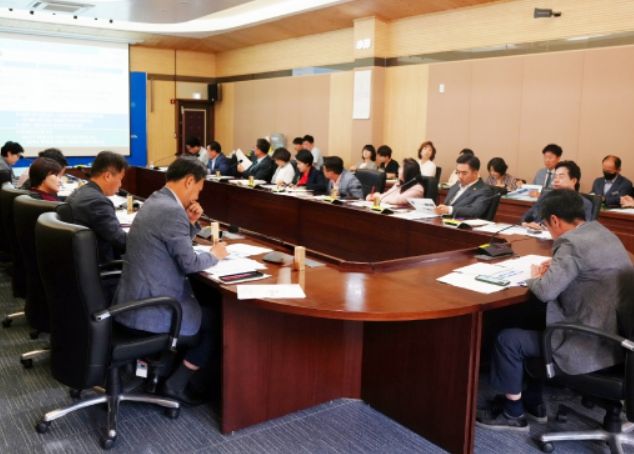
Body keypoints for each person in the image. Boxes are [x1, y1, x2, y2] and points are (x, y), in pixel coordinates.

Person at [477, 189, 634, 430]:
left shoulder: (571, 243)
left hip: (588, 343)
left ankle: (512, 413)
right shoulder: (603, 233)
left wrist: (533, 277)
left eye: (545, 224)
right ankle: (534, 402)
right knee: (535, 319)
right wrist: (557, 265)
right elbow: (591, 268)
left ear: (554, 220)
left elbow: (545, 291)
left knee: (508, 340)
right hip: (620, 340)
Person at [114, 158, 228, 405]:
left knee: (203, 305)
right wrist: (215, 255)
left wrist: (190, 223)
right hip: (153, 308)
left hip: (133, 299)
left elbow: (171, 241)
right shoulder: (171, 211)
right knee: (219, 320)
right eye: (198, 189)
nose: (197, 195)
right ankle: (176, 385)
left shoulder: (156, 200)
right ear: (189, 181)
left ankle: (165, 367)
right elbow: (189, 263)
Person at [63, 151, 129, 264]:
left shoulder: (79, 192)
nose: (120, 184)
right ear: (107, 176)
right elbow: (121, 241)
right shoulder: (97, 202)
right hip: (100, 265)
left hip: (79, 262)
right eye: (120, 179)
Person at [522, 160, 594, 229]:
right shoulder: (545, 197)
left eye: (561, 177)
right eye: (555, 177)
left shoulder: (583, 203)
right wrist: (526, 224)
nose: (556, 180)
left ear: (573, 181)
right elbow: (526, 217)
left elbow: (583, 230)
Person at [436, 154, 494, 218]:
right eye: (458, 172)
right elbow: (447, 204)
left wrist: (450, 210)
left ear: (475, 173)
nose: (460, 176)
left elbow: (475, 211)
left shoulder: (484, 190)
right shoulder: (456, 185)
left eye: (464, 173)